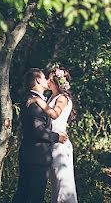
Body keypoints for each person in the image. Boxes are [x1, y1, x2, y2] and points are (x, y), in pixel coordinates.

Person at [12, 68, 68, 203]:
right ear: (37, 80)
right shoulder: (34, 103)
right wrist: (57, 137)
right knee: (33, 197)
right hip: (36, 157)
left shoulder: (38, 100)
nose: (47, 81)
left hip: (32, 155)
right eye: (44, 78)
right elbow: (38, 130)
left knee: (23, 195)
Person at [27, 66, 78, 203]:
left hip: (60, 145)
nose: (48, 81)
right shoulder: (51, 97)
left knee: (63, 186)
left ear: (56, 82)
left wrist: (39, 101)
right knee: (54, 187)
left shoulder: (62, 98)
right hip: (51, 144)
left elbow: (55, 114)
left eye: (50, 79)